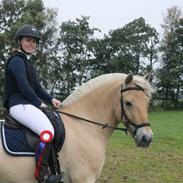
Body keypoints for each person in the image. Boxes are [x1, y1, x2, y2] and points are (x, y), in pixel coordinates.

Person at [4, 24, 63, 183]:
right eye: (28, 40)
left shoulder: (28, 63)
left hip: (27, 104)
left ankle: (53, 165)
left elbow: (36, 87)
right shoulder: (16, 61)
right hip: (18, 105)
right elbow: (24, 87)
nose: (32, 44)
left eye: (34, 42)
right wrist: (39, 103)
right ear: (20, 42)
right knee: (47, 130)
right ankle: (42, 173)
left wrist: (51, 99)